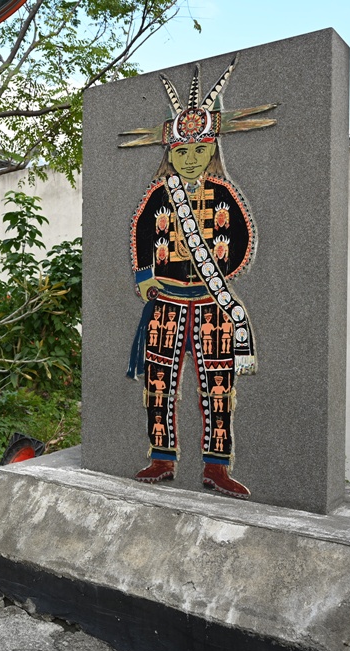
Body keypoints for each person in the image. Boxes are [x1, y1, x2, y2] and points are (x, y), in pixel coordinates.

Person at [125, 59, 275, 500]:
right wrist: (145, 278)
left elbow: (242, 240)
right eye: (181, 152)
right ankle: (162, 457)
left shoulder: (224, 193)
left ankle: (216, 466)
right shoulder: (159, 195)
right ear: (170, 152)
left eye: (198, 151)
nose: (189, 160)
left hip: (213, 303)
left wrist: (217, 277)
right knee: (159, 382)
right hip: (166, 303)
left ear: (211, 150)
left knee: (218, 387)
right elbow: (142, 234)